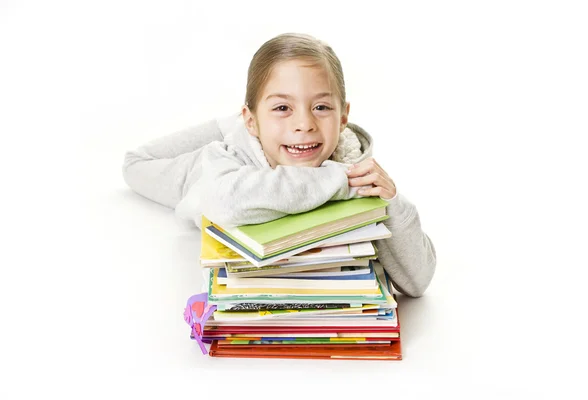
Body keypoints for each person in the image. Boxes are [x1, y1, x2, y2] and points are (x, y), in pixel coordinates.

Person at [123, 33, 436, 297]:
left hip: (259, 130)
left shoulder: (352, 164)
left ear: (343, 117)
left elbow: (417, 282)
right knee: (135, 164)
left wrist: (392, 202)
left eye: (322, 107)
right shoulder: (223, 161)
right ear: (252, 120)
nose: (304, 123)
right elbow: (226, 204)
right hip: (203, 173)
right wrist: (340, 182)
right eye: (283, 107)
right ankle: (234, 123)